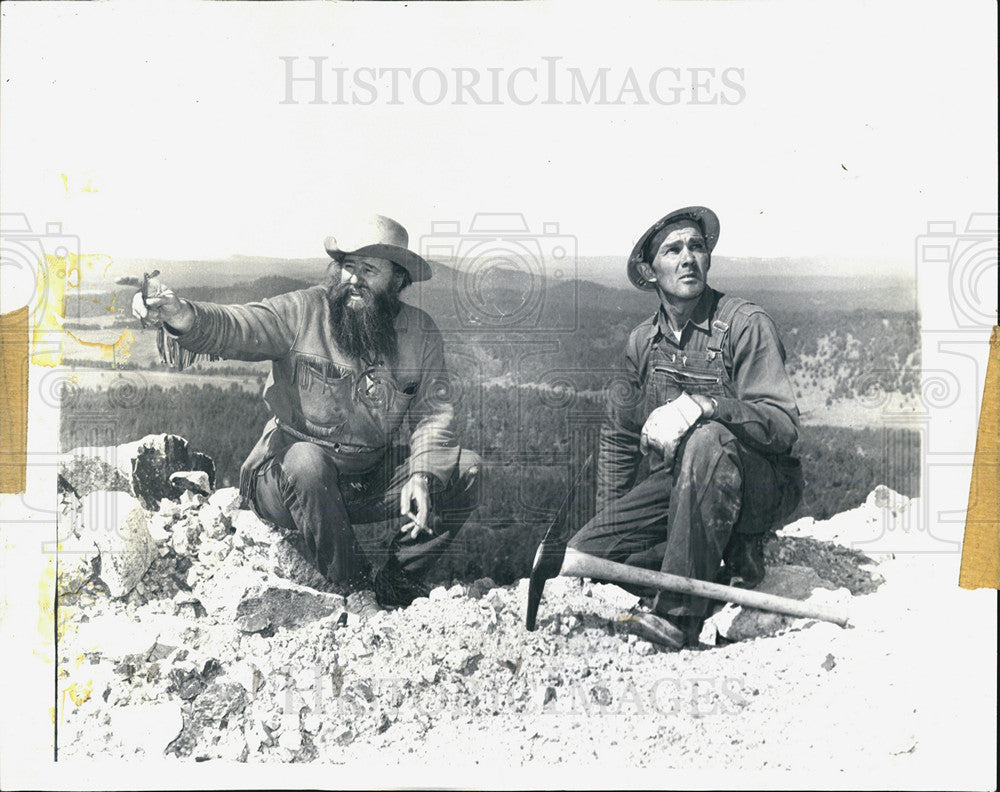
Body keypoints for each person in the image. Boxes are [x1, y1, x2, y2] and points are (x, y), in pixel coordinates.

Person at [132, 215, 482, 608]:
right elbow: (238, 326)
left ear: (398, 281)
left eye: (368, 270)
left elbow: (434, 414)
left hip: (362, 480)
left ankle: (399, 581)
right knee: (307, 461)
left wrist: (422, 475)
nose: (353, 279)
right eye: (348, 266)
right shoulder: (303, 311)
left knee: (464, 469)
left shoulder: (420, 333)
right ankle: (356, 589)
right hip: (284, 478)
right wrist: (183, 316)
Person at [566, 206, 803, 648]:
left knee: (708, 439)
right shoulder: (643, 343)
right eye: (673, 250)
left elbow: (783, 425)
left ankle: (678, 617)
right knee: (588, 556)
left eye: (696, 246)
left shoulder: (745, 325)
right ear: (650, 270)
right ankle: (720, 561)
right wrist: (611, 520)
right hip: (681, 484)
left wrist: (709, 405)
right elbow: (619, 438)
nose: (688, 258)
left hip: (759, 485)